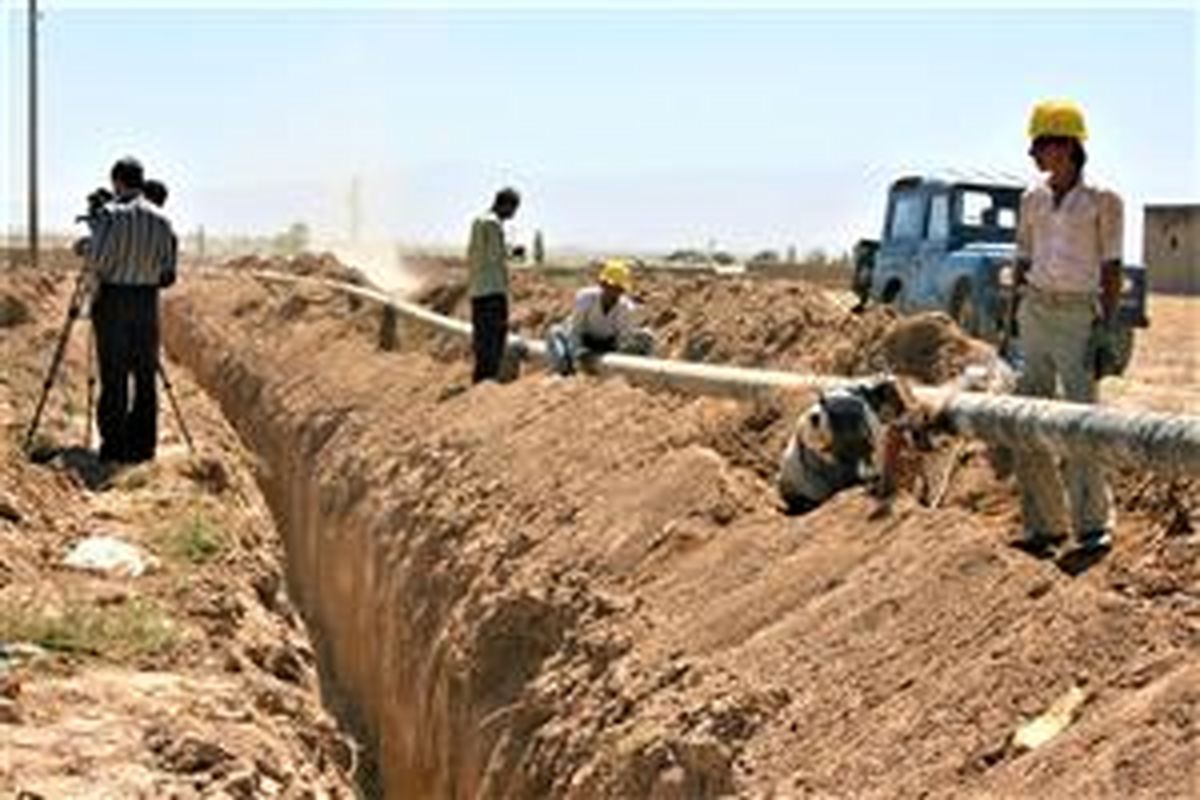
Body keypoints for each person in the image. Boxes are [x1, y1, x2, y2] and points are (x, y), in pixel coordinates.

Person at [1011, 100, 1124, 560]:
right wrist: (1011, 320)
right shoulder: (1031, 199)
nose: (1034, 154)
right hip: (1035, 310)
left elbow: (1111, 265)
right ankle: (1045, 524)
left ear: (1068, 146)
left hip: (1079, 316)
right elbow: (1021, 258)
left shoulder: (1103, 201)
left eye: (1040, 144)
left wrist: (1106, 328)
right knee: (1025, 417)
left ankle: (1093, 524)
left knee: (1081, 419)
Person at [86, 157, 177, 463]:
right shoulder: (163, 220)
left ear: (117, 182)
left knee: (114, 376)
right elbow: (167, 272)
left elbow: (97, 263)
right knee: (144, 375)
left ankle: (115, 447)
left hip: (113, 300)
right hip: (146, 303)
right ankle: (143, 447)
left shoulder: (110, 216)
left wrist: (87, 243)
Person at [545, 259, 655, 375]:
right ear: (602, 284)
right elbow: (576, 329)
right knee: (555, 331)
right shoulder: (585, 298)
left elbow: (623, 337)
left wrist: (617, 352)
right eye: (611, 287)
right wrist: (579, 352)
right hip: (584, 338)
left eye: (619, 289)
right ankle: (564, 369)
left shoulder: (626, 307)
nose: (614, 293)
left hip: (607, 343)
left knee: (646, 337)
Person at [466, 187, 520, 383]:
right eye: (513, 209)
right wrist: (512, 253)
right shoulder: (493, 224)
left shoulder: (478, 221)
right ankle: (488, 379)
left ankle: (480, 377)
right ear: (505, 205)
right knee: (495, 337)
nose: (513, 214)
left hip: (478, 289)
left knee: (481, 337)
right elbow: (495, 256)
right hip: (493, 290)